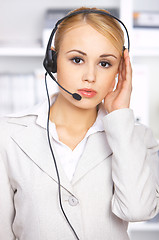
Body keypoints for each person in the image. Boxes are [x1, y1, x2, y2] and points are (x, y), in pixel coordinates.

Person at [0, 7, 159, 240]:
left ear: (120, 70)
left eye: (105, 63)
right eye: (77, 59)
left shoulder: (137, 138)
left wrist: (120, 114)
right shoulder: (8, 135)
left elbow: (138, 211)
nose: (90, 76)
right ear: (52, 60)